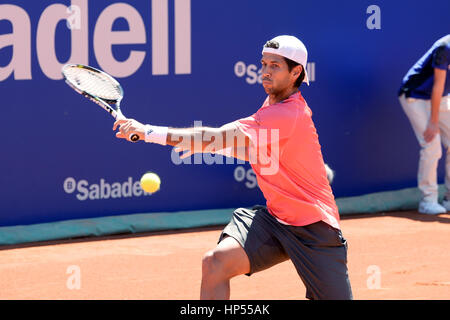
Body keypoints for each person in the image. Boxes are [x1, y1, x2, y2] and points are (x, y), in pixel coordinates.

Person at [113, 35, 352, 300]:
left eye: (275, 66)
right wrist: (208, 145)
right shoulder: (272, 105)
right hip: (275, 221)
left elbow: (216, 137)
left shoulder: (287, 114)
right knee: (215, 263)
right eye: (264, 64)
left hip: (314, 228)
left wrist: (147, 131)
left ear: (296, 72)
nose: (265, 72)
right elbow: (251, 150)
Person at [398, 35, 450, 215]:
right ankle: (428, 201)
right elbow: (438, 85)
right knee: (432, 145)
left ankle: (449, 198)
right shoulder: (445, 47)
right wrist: (433, 121)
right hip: (416, 96)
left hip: (441, 97)